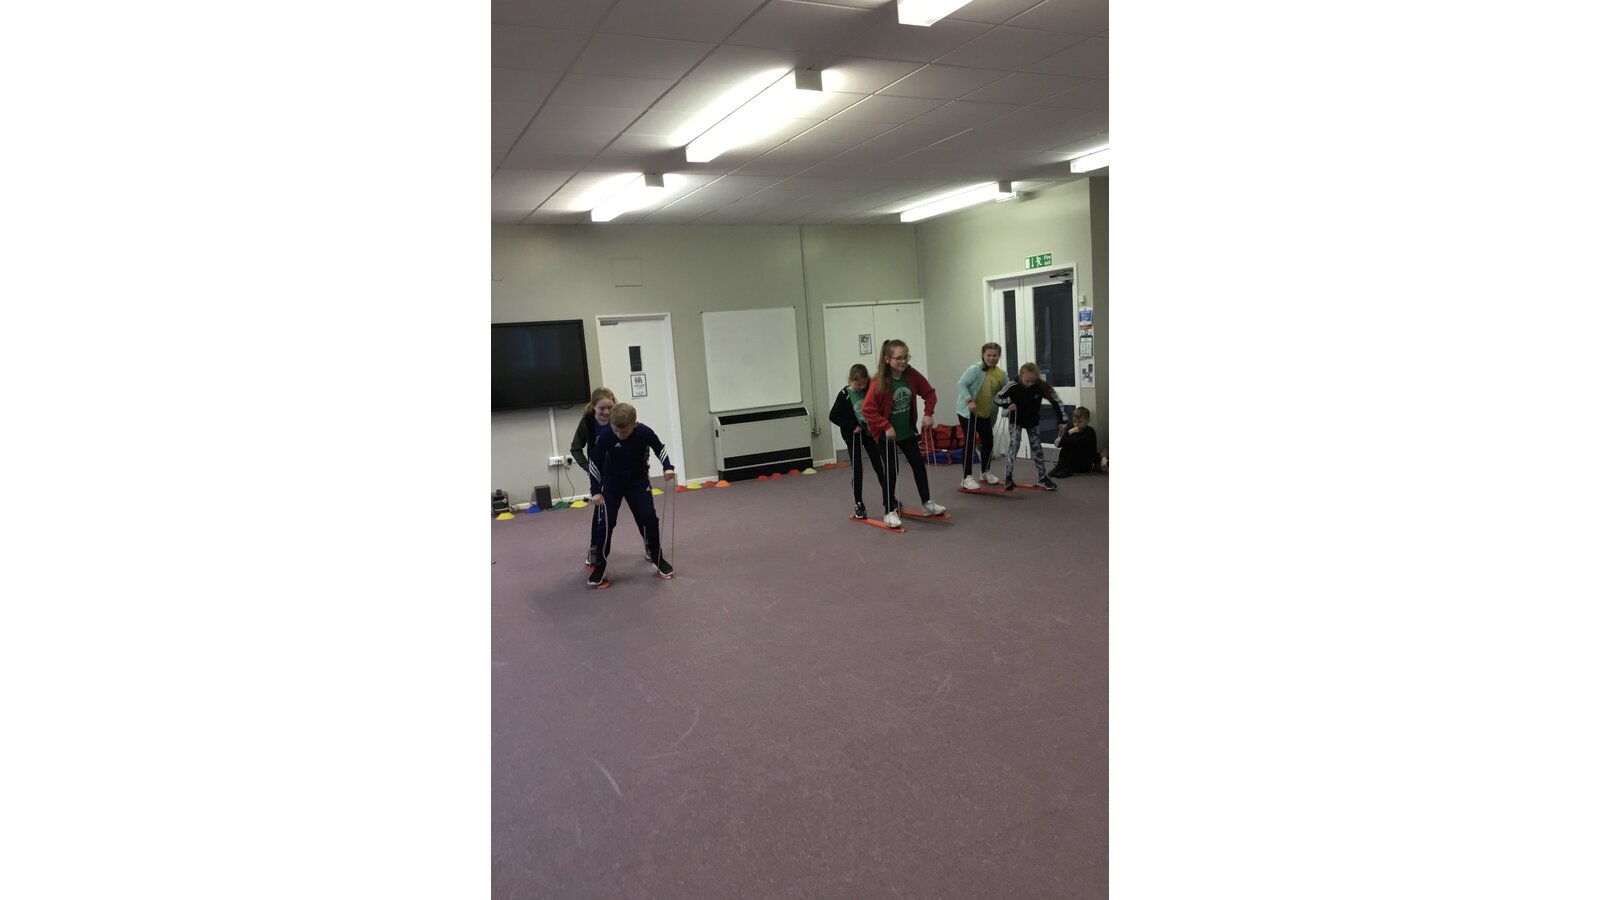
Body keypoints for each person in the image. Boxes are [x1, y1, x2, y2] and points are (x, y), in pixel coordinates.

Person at [586, 402, 676, 587]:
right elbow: (594, 463)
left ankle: (656, 557)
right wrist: (595, 491)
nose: (619, 435)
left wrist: (667, 467)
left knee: (648, 517)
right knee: (606, 523)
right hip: (612, 484)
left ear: (634, 424)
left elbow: (660, 448)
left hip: (637, 481)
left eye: (624, 431)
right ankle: (600, 566)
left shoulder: (644, 432)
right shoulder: (606, 436)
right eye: (616, 430)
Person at [861, 339, 946, 528]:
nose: (903, 361)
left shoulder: (911, 375)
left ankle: (927, 503)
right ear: (887, 359)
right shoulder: (879, 381)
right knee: (892, 470)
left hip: (906, 431)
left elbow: (929, 393)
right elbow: (867, 409)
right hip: (885, 435)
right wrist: (885, 426)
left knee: (918, 464)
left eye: (906, 357)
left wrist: (928, 413)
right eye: (898, 358)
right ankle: (889, 511)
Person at [569, 388, 646, 567]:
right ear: (593, 407)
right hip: (603, 476)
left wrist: (644, 459)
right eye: (601, 408)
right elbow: (575, 448)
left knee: (640, 509)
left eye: (609, 407)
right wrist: (589, 468)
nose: (606, 412)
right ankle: (595, 548)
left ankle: (650, 544)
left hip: (629, 472)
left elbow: (642, 438)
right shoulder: (587, 422)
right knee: (601, 515)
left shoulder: (621, 418)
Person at [827, 363, 890, 520]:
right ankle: (858, 503)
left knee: (879, 465)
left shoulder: (867, 390)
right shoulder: (844, 394)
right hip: (853, 436)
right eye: (857, 384)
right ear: (850, 380)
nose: (861, 387)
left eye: (863, 384)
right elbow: (833, 416)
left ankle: (889, 498)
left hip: (869, 434)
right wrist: (851, 426)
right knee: (858, 470)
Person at [993, 362, 1065, 492]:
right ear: (1021, 376)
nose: (1030, 384)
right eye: (1027, 381)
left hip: (1033, 421)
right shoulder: (1012, 385)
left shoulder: (1041, 385)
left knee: (1037, 449)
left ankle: (1042, 477)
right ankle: (1008, 477)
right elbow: (997, 398)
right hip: (1016, 421)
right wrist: (1008, 404)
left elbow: (1056, 400)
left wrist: (1061, 420)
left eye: (1033, 381)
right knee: (1014, 446)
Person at [954, 342, 1007, 491]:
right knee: (970, 442)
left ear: (999, 356)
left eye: (995, 355)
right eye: (988, 355)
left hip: (985, 412)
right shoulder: (975, 369)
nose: (991, 358)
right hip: (967, 412)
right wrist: (969, 400)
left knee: (988, 442)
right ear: (983, 355)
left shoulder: (1001, 374)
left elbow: (1006, 390)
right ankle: (966, 478)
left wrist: (1009, 404)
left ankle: (985, 472)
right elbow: (961, 384)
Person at [1050, 406, 1101, 478]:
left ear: (1087, 421)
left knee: (1071, 445)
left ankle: (1066, 469)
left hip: (1083, 463)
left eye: (1080, 422)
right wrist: (1067, 434)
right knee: (1066, 446)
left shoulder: (1089, 432)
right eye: (1074, 421)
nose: (1076, 424)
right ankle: (1060, 466)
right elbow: (1059, 445)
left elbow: (1077, 441)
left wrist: (1067, 435)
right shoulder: (1071, 427)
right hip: (1071, 461)